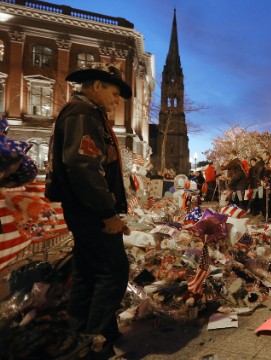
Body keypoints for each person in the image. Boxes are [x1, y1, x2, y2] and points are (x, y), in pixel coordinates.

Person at [45, 63, 132, 357]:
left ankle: (80, 328)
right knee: (115, 270)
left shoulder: (85, 113)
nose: (117, 100)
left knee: (87, 269)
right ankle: (95, 337)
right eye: (114, 93)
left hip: (84, 208)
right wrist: (107, 214)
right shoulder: (83, 114)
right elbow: (83, 166)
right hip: (90, 210)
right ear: (97, 87)